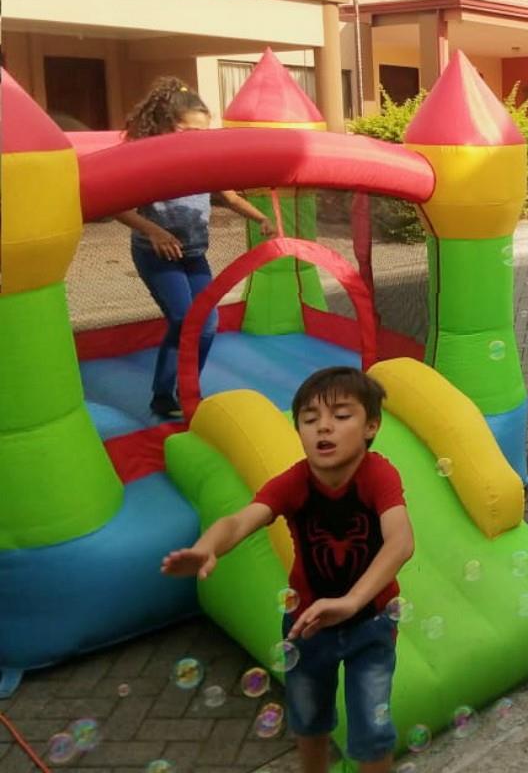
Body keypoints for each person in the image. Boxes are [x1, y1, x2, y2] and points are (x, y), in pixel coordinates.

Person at [162, 367, 415, 773]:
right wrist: (206, 547)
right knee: (308, 721)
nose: (323, 428)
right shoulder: (293, 483)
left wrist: (351, 602)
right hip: (306, 626)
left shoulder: (377, 475)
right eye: (310, 419)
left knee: (372, 731)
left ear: (371, 426)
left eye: (341, 416)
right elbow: (240, 521)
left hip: (370, 623)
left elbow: (400, 541)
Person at [114, 77, 276, 419]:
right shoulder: (149, 159)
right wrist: (153, 230)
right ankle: (163, 395)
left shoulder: (203, 160)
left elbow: (229, 195)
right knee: (183, 319)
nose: (199, 141)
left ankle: (185, 388)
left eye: (205, 133)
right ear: (167, 128)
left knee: (208, 323)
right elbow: (118, 204)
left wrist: (260, 217)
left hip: (193, 253)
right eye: (191, 132)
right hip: (156, 253)